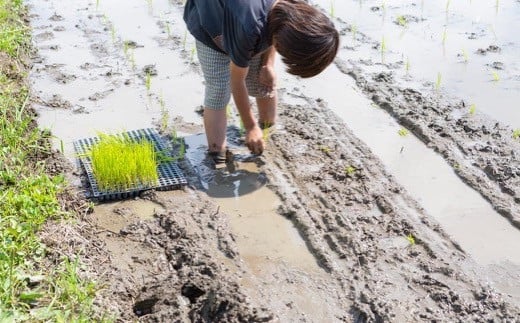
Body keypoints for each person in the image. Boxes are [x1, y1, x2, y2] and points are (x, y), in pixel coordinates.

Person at [184, 0, 339, 162]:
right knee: (219, 91)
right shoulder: (249, 26)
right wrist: (250, 126)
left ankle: (266, 128)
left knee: (261, 78)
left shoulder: (295, 8)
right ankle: (217, 156)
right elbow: (236, 81)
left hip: (250, 24)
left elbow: (277, 25)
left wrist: (268, 64)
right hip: (213, 28)